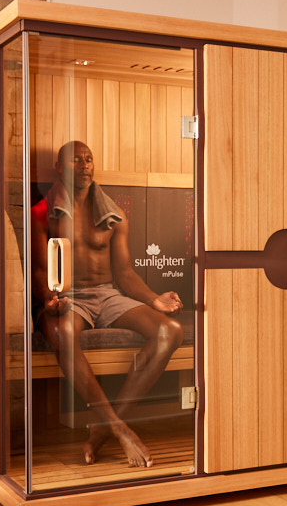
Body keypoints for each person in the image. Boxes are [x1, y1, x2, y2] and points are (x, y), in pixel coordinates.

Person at [31, 141, 183, 468]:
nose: (85, 165)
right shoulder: (43, 212)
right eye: (76, 160)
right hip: (69, 297)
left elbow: (125, 274)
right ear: (60, 168)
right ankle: (121, 429)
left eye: (89, 160)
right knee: (59, 333)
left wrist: (155, 299)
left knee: (170, 331)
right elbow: (40, 270)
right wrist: (48, 298)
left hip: (107, 294)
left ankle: (102, 429)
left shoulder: (113, 215)